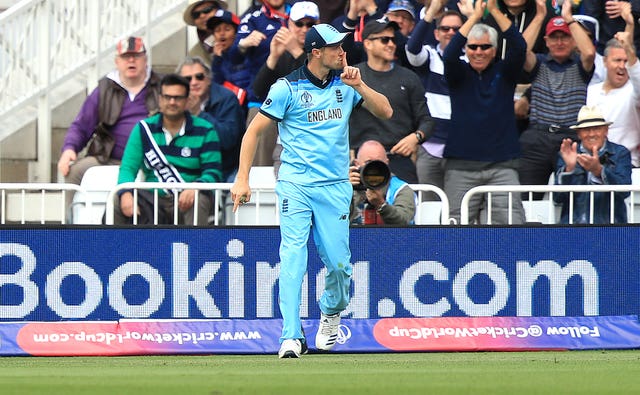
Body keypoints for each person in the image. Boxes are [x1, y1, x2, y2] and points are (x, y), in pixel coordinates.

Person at [230, 24, 392, 358]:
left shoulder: (346, 84)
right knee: (292, 256)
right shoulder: (287, 88)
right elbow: (253, 132)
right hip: (296, 184)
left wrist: (360, 84)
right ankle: (290, 335)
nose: (342, 52)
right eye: (335, 48)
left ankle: (331, 313)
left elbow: (386, 111)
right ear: (316, 52)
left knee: (338, 264)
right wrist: (242, 179)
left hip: (334, 187)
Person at [442, 0, 527, 224]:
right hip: (461, 166)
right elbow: (450, 54)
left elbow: (519, 46)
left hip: (502, 166)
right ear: (467, 49)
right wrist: (475, 16)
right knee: (455, 231)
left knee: (512, 227)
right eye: (473, 47)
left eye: (485, 47)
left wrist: (495, 11)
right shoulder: (458, 74)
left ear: (495, 50)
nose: (478, 52)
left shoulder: (506, 72)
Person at [57, 36, 161, 213]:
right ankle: (68, 225)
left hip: (151, 158)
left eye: (136, 56)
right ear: (116, 62)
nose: (131, 60)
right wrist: (69, 149)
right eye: (125, 57)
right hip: (107, 156)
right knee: (75, 171)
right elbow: (82, 125)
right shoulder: (104, 88)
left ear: (145, 59)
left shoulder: (161, 86)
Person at [114, 74, 223, 225]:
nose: (172, 102)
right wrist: (125, 192)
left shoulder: (206, 130)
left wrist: (195, 187)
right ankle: (112, 249)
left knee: (198, 200)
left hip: (187, 199)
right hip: (152, 200)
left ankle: (196, 248)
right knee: (117, 199)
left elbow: (213, 172)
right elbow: (127, 168)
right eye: (167, 97)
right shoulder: (143, 129)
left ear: (186, 100)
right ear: (160, 99)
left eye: (178, 98)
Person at [518, 0, 596, 199]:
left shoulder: (580, 66)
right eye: (554, 37)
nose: (559, 42)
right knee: (527, 200)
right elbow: (520, 51)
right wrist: (538, 17)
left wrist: (569, 19)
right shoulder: (539, 63)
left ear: (573, 41)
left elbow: (589, 52)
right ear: (546, 40)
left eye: (564, 38)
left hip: (571, 138)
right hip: (538, 136)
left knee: (570, 201)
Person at [350, 18, 435, 184]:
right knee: (357, 210)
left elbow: (427, 120)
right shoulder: (353, 77)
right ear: (367, 44)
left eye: (393, 39)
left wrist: (415, 137)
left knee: (405, 208)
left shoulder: (408, 77)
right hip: (360, 161)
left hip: (398, 159)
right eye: (384, 39)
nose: (391, 44)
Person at [406, 1, 465, 199]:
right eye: (445, 28)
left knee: (458, 211)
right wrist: (430, 13)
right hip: (430, 147)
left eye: (457, 29)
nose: (450, 32)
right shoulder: (430, 55)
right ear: (436, 33)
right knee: (430, 210)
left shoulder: (474, 57)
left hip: (460, 149)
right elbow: (412, 49)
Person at [554, 105, 632, 223]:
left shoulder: (620, 153)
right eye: (586, 129)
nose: (591, 134)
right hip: (573, 228)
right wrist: (569, 169)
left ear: (606, 131)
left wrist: (599, 171)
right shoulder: (567, 154)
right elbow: (557, 198)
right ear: (579, 133)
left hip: (610, 228)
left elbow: (625, 191)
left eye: (596, 128)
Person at [176, 56, 244, 181]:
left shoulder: (227, 99)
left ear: (208, 79)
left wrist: (198, 113)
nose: (194, 82)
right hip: (186, 170)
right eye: (188, 79)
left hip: (225, 170)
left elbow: (227, 140)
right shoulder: (175, 101)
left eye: (199, 77)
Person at [349, 140, 416, 225]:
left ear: (387, 163)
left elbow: (404, 225)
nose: (374, 168)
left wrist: (381, 205)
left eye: (379, 163)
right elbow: (332, 221)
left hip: (389, 237)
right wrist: (344, 191)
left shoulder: (400, 189)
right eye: (368, 163)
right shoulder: (347, 186)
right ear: (357, 164)